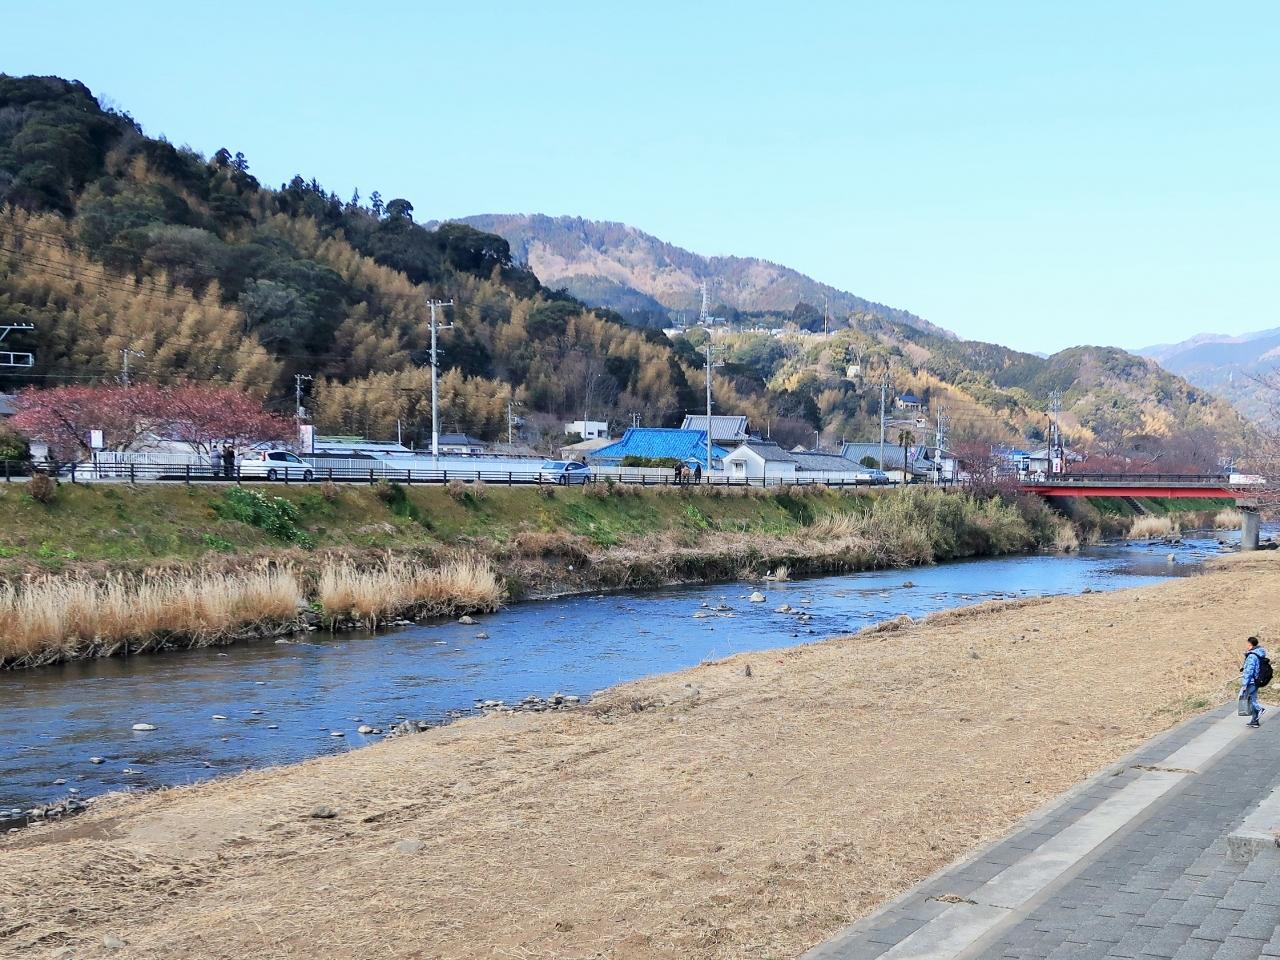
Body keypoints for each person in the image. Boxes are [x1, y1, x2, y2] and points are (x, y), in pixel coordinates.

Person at [1241, 635, 1268, 728]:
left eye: (1247, 644)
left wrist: (1245, 683)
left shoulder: (1252, 656)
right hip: (1256, 680)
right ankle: (1255, 721)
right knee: (1253, 699)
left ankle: (1260, 709)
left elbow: (1249, 671)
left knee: (1249, 699)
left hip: (1251, 681)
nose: (1246, 646)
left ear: (1251, 645)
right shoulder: (1259, 653)